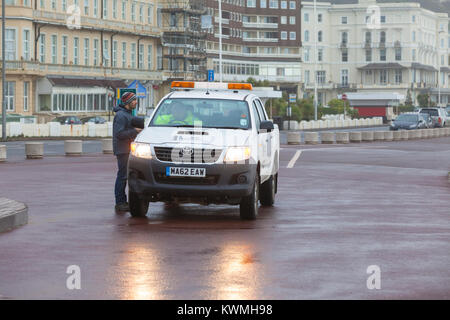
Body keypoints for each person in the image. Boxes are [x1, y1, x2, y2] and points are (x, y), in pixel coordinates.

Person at [113, 92, 141, 212]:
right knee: (123, 176)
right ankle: (120, 202)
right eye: (134, 100)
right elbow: (119, 134)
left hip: (127, 149)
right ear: (128, 102)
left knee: (126, 176)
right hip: (123, 150)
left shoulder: (127, 114)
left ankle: (123, 201)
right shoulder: (121, 116)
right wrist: (134, 131)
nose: (136, 102)